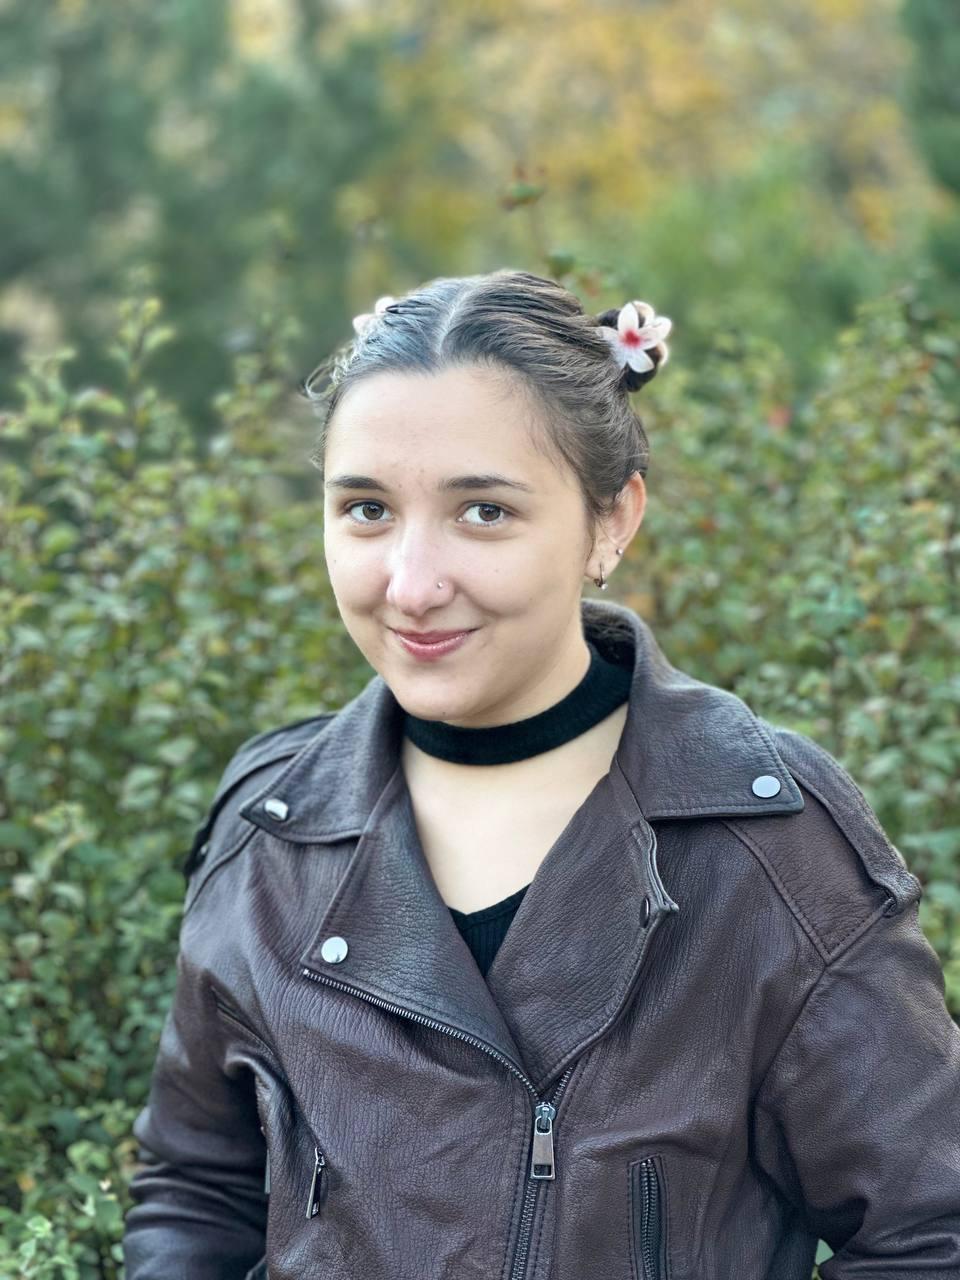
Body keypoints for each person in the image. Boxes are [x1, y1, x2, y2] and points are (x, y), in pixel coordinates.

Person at [121, 269, 960, 1280]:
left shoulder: (769, 841)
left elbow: (930, 1233)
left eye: (483, 511)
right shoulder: (272, 827)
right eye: (367, 509)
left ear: (611, 521)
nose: (411, 584)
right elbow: (195, 1191)